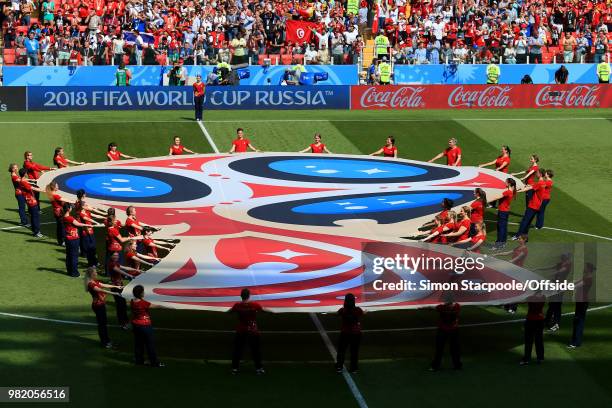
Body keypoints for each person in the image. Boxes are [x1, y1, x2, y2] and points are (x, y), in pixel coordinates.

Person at [62, 203, 103, 277]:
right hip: (73, 238)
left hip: (68, 238)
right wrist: (89, 225)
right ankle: (74, 273)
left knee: (69, 255)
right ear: (68, 209)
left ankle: (70, 271)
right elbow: (78, 224)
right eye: (71, 207)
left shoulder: (64, 216)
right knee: (74, 256)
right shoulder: (70, 218)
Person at [85, 267, 122, 349]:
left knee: (103, 324)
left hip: (100, 304)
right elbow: (101, 290)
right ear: (91, 274)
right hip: (98, 305)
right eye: (95, 272)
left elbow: (103, 285)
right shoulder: (91, 284)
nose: (97, 274)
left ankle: (107, 341)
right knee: (102, 325)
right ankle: (105, 342)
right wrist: (113, 293)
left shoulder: (94, 281)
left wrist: (115, 287)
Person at [230, 288, 264, 375]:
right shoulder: (254, 305)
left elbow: (230, 312)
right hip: (253, 331)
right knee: (255, 350)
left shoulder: (237, 305)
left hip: (241, 330)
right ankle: (259, 369)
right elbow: (263, 310)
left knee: (237, 350)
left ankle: (234, 369)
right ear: (249, 296)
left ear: (241, 296)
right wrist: (273, 312)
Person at [131, 285, 164, 367]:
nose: (144, 293)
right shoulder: (143, 303)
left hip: (136, 325)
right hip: (145, 326)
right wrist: (166, 306)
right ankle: (154, 362)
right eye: (143, 291)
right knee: (150, 344)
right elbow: (156, 306)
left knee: (138, 344)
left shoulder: (132, 301)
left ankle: (139, 360)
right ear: (141, 293)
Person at [539, 253, 572, 332]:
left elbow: (560, 271)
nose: (561, 258)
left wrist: (549, 275)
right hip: (554, 285)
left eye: (563, 257)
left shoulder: (567, 265)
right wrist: (539, 269)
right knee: (551, 305)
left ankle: (556, 324)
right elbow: (551, 267)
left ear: (566, 258)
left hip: (559, 287)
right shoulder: (561, 263)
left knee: (556, 306)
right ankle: (547, 321)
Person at [497, 234, 529, 313]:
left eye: (519, 239)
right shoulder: (518, 247)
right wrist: (498, 254)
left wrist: (504, 263)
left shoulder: (525, 250)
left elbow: (515, 259)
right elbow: (508, 253)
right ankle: (507, 305)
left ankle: (513, 307)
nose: (518, 240)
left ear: (524, 240)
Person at [430, 294, 462, 371]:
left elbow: (435, 308)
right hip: (451, 330)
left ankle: (435, 366)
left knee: (441, 349)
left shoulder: (441, 307)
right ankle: (457, 366)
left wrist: (424, 308)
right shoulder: (457, 306)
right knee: (452, 349)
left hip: (445, 330)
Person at [107, 251, 139, 329]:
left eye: (117, 255)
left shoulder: (116, 263)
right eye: (114, 255)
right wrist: (130, 275)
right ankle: (122, 323)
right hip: (115, 287)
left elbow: (125, 268)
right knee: (120, 305)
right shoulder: (111, 264)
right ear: (111, 256)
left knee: (123, 305)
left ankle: (125, 321)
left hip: (120, 286)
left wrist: (137, 270)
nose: (116, 256)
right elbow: (119, 271)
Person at [75, 190, 106, 267]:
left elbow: (94, 214)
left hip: (90, 231)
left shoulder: (84, 210)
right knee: (90, 248)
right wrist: (96, 223)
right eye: (85, 205)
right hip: (86, 232)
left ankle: (95, 262)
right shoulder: (82, 213)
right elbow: (89, 219)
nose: (87, 205)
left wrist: (104, 215)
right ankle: (91, 263)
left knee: (93, 247)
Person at [335, 293, 364, 374]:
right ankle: (354, 368)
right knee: (354, 351)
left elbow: (337, 314)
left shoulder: (343, 310)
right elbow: (362, 313)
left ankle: (339, 367)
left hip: (345, 333)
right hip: (356, 334)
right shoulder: (357, 310)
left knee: (341, 351)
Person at [569, 263, 595, 348]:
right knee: (578, 321)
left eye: (585, 267)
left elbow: (577, 285)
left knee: (579, 321)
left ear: (588, 269)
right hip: (580, 301)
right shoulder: (586, 277)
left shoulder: (588, 279)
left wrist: (567, 287)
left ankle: (576, 342)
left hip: (582, 302)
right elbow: (576, 282)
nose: (584, 268)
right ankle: (575, 341)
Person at [513, 169, 546, 238]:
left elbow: (529, 188)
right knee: (529, 221)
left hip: (533, 205)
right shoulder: (543, 183)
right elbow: (532, 186)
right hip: (537, 205)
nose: (536, 174)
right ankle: (525, 235)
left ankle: (517, 235)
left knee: (524, 221)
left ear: (540, 174)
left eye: (537, 173)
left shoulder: (539, 183)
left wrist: (517, 191)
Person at [521, 291, 546, 365]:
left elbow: (522, 300)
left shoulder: (530, 297)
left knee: (529, 340)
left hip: (531, 320)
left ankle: (527, 359)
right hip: (540, 321)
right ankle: (540, 358)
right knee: (539, 340)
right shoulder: (543, 297)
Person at [18, 168, 44, 237]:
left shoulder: (22, 180)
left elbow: (28, 181)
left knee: (33, 216)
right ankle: (37, 232)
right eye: (26, 172)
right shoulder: (23, 182)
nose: (27, 173)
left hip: (29, 201)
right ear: (24, 174)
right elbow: (32, 188)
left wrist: (33, 181)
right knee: (36, 217)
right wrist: (43, 190)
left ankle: (34, 231)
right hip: (31, 201)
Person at [494, 178, 517, 248]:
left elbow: (497, 197)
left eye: (506, 182)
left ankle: (498, 244)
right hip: (506, 211)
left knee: (500, 228)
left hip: (502, 211)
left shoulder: (507, 192)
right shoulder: (511, 191)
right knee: (504, 227)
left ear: (509, 183)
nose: (505, 182)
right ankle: (503, 242)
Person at [46, 181, 67, 246]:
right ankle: (62, 241)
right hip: (59, 212)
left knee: (59, 227)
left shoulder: (51, 194)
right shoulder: (55, 195)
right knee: (62, 227)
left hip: (56, 212)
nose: (58, 187)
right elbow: (64, 201)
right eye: (57, 186)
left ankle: (60, 241)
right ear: (54, 187)